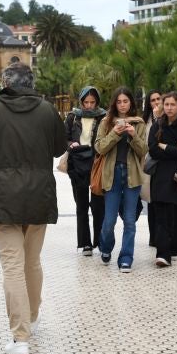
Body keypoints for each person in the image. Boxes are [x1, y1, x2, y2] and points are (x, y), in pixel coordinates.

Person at [0, 63, 66, 354]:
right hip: (39, 195)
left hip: (3, 197)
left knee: (12, 265)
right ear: (31, 83)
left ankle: (20, 337)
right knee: (32, 261)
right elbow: (59, 148)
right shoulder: (47, 110)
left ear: (6, 83)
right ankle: (31, 317)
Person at [93, 87, 147, 272]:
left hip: (132, 176)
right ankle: (106, 247)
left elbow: (143, 150)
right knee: (109, 221)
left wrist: (133, 135)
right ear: (114, 104)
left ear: (131, 102)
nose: (122, 105)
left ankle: (126, 258)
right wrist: (115, 133)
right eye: (119, 102)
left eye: (125, 101)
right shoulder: (106, 122)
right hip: (111, 175)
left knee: (130, 221)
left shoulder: (139, 123)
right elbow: (99, 148)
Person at [147, 92, 177, 267]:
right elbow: (153, 150)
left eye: (172, 104)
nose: (169, 108)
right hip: (160, 175)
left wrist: (165, 146)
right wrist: (175, 149)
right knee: (161, 215)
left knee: (176, 214)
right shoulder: (157, 125)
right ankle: (163, 254)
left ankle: (175, 249)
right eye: (166, 104)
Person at [63, 86, 107, 256]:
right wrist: (70, 144)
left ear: (97, 102)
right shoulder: (73, 117)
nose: (89, 105)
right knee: (81, 206)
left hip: (96, 164)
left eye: (92, 102)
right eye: (86, 102)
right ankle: (85, 244)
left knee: (98, 206)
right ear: (81, 101)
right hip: (77, 164)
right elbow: (64, 138)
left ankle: (100, 242)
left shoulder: (103, 117)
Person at [141, 90, 163, 247]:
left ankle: (163, 236)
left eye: (158, 99)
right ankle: (153, 237)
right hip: (150, 165)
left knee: (162, 201)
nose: (156, 102)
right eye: (152, 100)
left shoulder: (167, 118)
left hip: (164, 164)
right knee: (152, 202)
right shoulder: (145, 121)